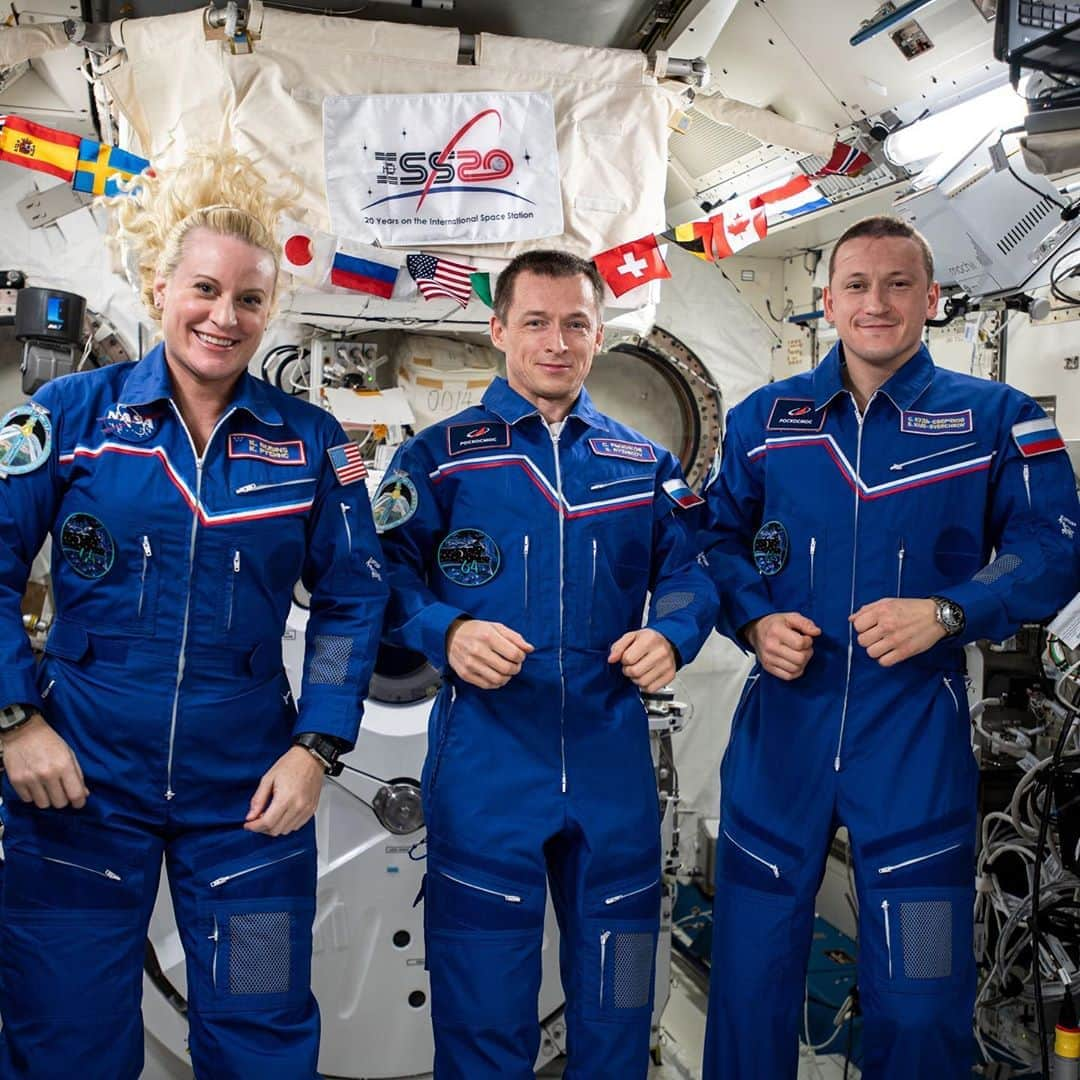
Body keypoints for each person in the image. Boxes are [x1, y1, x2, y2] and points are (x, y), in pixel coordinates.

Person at [0, 146, 388, 1079]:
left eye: (249, 299)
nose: (224, 316)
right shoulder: (72, 414)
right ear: (158, 284)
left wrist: (317, 746)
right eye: (204, 289)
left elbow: (354, 596)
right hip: (80, 786)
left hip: (247, 798)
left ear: (271, 312)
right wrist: (12, 720)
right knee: (64, 1042)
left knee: (259, 1038)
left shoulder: (311, 444)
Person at [700, 214, 1080, 1079]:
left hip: (912, 739)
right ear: (826, 302)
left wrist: (950, 611)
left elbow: (1056, 542)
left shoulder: (996, 418)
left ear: (931, 300)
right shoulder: (766, 420)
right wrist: (755, 620)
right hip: (780, 740)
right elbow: (712, 543)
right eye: (858, 286)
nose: (878, 303)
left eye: (899, 284)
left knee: (921, 989)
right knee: (751, 985)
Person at [375, 249, 716, 1078]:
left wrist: (671, 634)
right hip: (491, 763)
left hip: (612, 768)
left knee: (620, 1002)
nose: (556, 341)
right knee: (484, 1011)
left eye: (575, 324)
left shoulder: (644, 467)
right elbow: (377, 573)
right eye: (535, 322)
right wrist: (446, 630)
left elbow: (694, 572)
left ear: (599, 336)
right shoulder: (439, 458)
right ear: (499, 330)